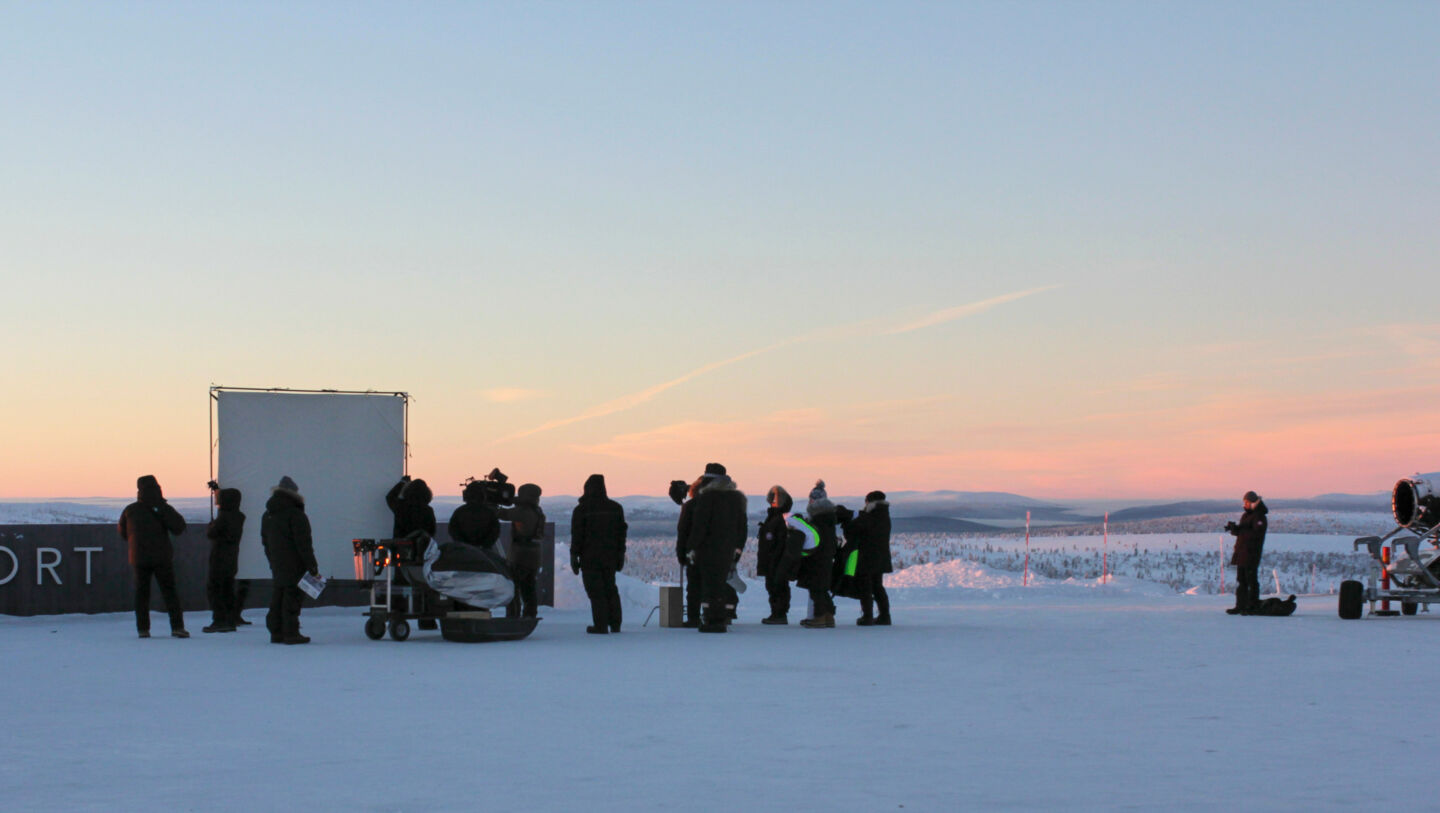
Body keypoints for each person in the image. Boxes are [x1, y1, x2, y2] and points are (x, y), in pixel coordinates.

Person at [118, 475, 189, 639]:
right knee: (169, 592)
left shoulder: (130, 510)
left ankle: (143, 629)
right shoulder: (164, 508)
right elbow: (179, 527)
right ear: (158, 488)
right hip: (162, 557)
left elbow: (123, 533)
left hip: (138, 558)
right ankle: (177, 627)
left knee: (141, 594)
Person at [686, 463, 747, 633]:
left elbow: (700, 526)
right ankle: (720, 617)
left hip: (708, 550)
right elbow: (742, 527)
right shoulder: (736, 499)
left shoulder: (707, 498)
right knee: (721, 584)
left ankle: (712, 620)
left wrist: (691, 546)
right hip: (727, 551)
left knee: (709, 587)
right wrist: (737, 549)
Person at [262, 476, 318, 644]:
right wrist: (312, 566)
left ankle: (276, 631)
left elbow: (265, 540)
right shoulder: (296, 515)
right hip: (295, 563)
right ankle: (291, 633)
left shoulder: (268, 514)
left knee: (279, 595)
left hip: (277, 562)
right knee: (292, 597)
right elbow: (304, 544)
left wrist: (272, 560)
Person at [570, 474, 628, 634]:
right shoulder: (616, 508)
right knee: (610, 588)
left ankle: (600, 625)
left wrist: (574, 555)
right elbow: (621, 534)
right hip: (610, 556)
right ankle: (615, 624)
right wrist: (620, 553)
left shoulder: (582, 510)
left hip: (589, 557)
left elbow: (577, 535)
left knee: (596, 591)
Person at [386, 476, 437, 625]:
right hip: (421, 553)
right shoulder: (428, 510)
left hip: (401, 552)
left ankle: (399, 615)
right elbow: (431, 531)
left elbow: (389, 497)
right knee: (424, 584)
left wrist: (402, 482)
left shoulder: (400, 507)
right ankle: (427, 620)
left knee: (400, 583)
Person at [841, 490, 893, 626]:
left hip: (866, 557)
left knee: (865, 587)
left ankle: (867, 616)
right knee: (877, 586)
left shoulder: (869, 517)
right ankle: (884, 615)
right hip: (880, 557)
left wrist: (846, 522)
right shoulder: (884, 516)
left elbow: (851, 532)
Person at [498, 483, 546, 618]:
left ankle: (513, 616)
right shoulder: (537, 510)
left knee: (513, 587)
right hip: (534, 556)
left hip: (520, 556)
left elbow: (503, 514)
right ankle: (530, 614)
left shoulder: (523, 511)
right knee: (529, 588)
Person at [203, 484, 245, 633]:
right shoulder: (239, 516)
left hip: (219, 558)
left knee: (215, 589)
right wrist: (217, 490)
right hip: (231, 559)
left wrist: (211, 525)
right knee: (227, 590)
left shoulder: (224, 517)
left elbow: (211, 534)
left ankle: (219, 620)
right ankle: (229, 620)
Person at [798, 480, 838, 629]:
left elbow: (815, 537)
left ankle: (820, 617)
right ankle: (828, 616)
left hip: (817, 556)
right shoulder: (828, 518)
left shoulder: (818, 519)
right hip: (825, 556)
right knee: (821, 587)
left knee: (816, 587)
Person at [1226, 491, 1269, 615]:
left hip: (1251, 553)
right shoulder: (1246, 515)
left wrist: (1241, 530)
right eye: (1244, 502)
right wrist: (1234, 529)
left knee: (1251, 581)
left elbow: (1257, 534)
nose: (1244, 504)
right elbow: (1242, 532)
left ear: (1253, 502)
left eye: (1246, 502)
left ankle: (1252, 606)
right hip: (1242, 552)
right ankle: (1240, 606)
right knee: (1241, 580)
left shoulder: (1260, 516)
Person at [756, 485, 793, 625]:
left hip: (776, 560)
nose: (773, 501)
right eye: (772, 498)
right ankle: (777, 613)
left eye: (775, 499)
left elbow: (780, 542)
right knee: (772, 586)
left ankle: (779, 614)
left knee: (778, 586)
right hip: (772, 559)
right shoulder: (773, 517)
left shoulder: (780, 519)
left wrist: (775, 560)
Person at [670, 479, 702, 628]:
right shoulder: (723, 503)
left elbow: (683, 531)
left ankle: (694, 617)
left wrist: (681, 553)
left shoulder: (691, 506)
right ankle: (716, 615)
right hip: (717, 552)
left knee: (694, 585)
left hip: (694, 552)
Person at [449, 479, 502, 550]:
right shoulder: (489, 513)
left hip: (464, 551)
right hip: (484, 553)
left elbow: (453, 530)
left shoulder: (459, 511)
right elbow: (495, 532)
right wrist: (485, 546)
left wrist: (463, 544)